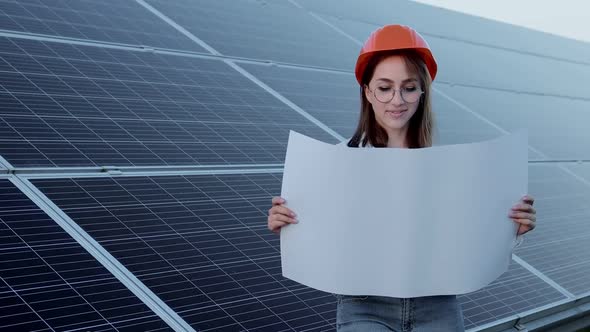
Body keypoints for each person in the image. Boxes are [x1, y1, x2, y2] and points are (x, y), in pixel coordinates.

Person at [267, 24, 537, 332]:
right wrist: (289, 226)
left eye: (409, 87)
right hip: (364, 305)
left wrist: (513, 228)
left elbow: (470, 241)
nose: (397, 100)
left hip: (437, 304)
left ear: (422, 92)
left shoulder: (453, 168)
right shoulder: (334, 163)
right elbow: (323, 237)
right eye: (384, 87)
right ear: (367, 92)